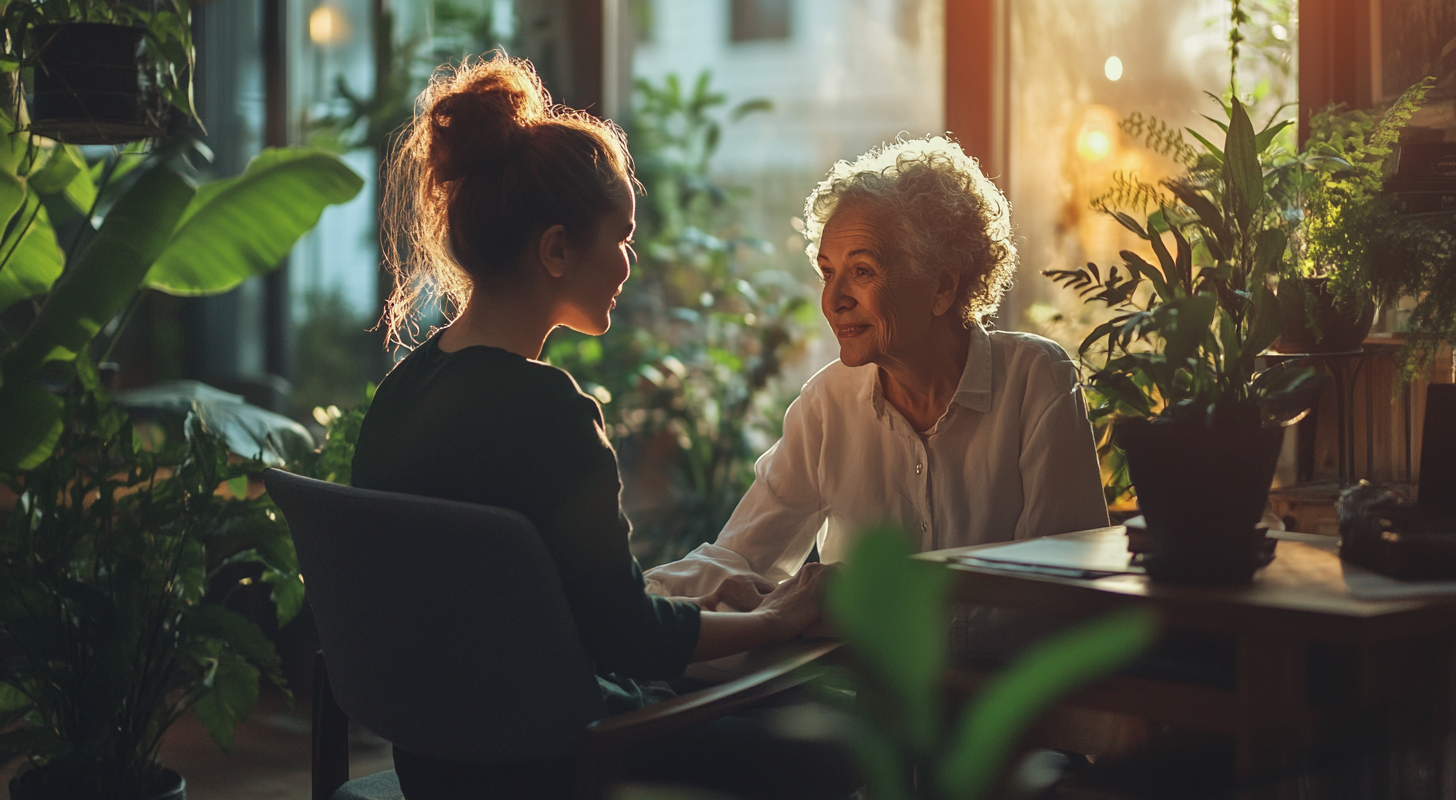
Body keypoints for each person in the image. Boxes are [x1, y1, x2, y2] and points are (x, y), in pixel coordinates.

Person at [350, 55, 848, 799]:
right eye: (620, 238)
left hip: (439, 763)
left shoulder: (402, 393)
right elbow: (629, 641)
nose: (629, 263)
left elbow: (558, 616)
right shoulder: (549, 410)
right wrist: (777, 617)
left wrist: (700, 610)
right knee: (836, 746)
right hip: (560, 762)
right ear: (555, 249)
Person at [646, 136, 1110, 607]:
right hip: (860, 679)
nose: (833, 300)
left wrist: (855, 607)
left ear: (942, 287)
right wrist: (632, 602)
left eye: (863, 271)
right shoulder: (826, 403)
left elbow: (1059, 594)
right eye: (827, 272)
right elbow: (741, 559)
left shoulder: (1037, 381)